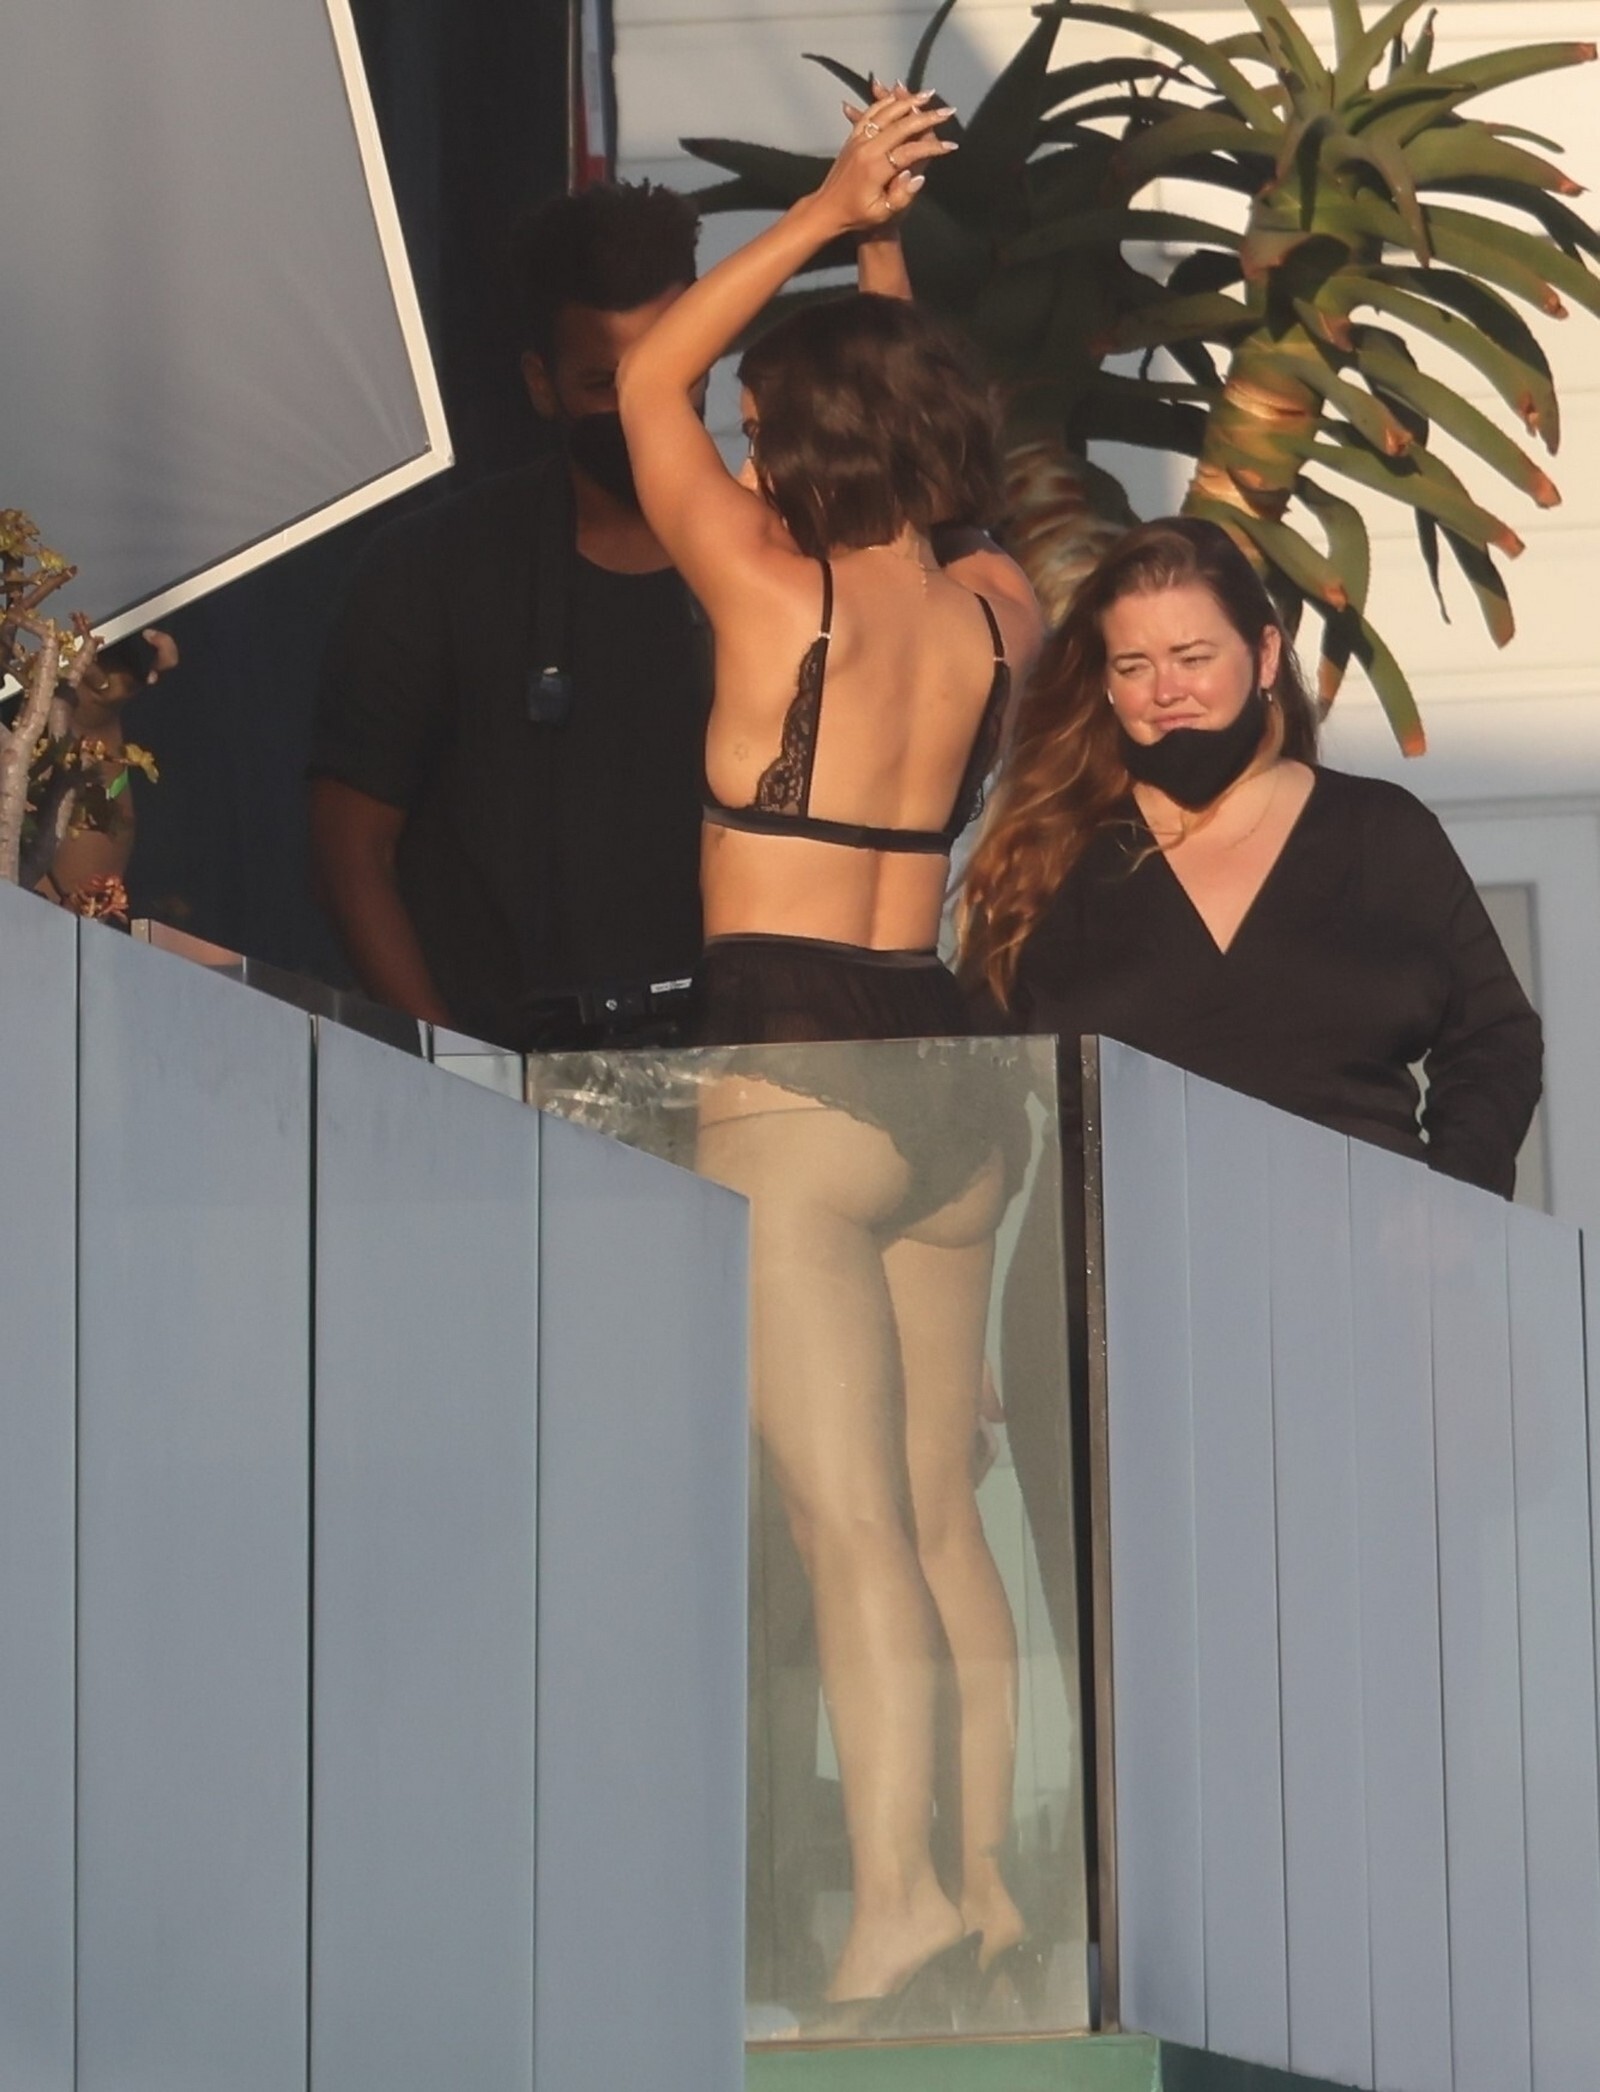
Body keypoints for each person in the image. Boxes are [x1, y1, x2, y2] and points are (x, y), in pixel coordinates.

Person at [616, 87, 1046, 2027]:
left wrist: (811, 215)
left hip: (791, 1061)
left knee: (844, 1517)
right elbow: (931, 425)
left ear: (804, 440)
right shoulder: (992, 604)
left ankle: (891, 1912)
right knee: (944, 1515)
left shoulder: (762, 583)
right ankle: (988, 1886)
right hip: (949, 1068)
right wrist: (883, 249)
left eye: (762, 427)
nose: (738, 445)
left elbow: (646, 374)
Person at [959, 515, 1543, 1195]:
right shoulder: (1047, 855)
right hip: (1132, 1247)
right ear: (1107, 683)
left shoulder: (1380, 834)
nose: (1166, 690)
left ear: (1264, 656)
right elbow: (970, 1087)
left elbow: (1495, 1036)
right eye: (1134, 666)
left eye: (1193, 658)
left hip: (1355, 1240)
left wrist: (1451, 1203)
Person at [309, 181, 711, 1049]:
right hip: (500, 1077)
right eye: (606, 383)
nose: (642, 406)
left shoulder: (778, 567)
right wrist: (450, 1066)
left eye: (673, 370)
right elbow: (352, 848)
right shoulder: (432, 567)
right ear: (541, 383)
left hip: (743, 1078)